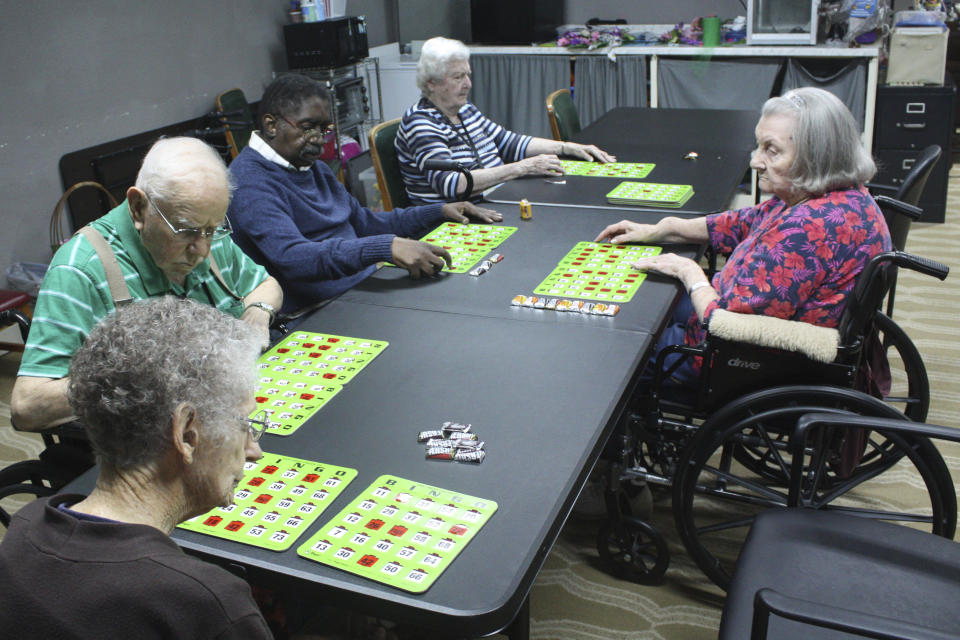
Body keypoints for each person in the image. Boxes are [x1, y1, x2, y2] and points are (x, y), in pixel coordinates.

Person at [0, 297, 272, 638]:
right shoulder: (205, 604)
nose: (254, 451)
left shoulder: (26, 524)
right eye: (245, 424)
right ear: (187, 432)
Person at [595, 87, 892, 387]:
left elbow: (724, 323)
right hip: (746, 314)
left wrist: (689, 272)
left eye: (771, 150)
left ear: (816, 156)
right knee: (650, 299)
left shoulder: (805, 228)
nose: (755, 161)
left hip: (738, 358)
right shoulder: (832, 195)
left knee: (614, 346)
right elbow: (741, 222)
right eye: (759, 146)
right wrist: (666, 227)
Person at [11, 137, 283, 432]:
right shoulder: (80, 270)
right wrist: (145, 377)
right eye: (186, 232)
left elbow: (266, 284)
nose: (203, 250)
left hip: (223, 421)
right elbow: (27, 406)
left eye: (212, 230)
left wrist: (257, 312)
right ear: (139, 207)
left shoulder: (205, 233)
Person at [227, 74, 502, 316]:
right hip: (314, 310)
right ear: (271, 125)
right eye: (308, 127)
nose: (320, 140)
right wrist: (385, 247)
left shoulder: (313, 168)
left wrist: (438, 211)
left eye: (324, 130)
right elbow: (295, 258)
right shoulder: (250, 181)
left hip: (362, 287)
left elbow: (366, 223)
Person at [395, 36, 616, 205]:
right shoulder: (421, 123)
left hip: (496, 199)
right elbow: (454, 185)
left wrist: (567, 147)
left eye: (468, 75)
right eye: (458, 77)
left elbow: (510, 142)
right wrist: (521, 168)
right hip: (456, 217)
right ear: (431, 83)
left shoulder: (465, 110)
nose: (468, 84)